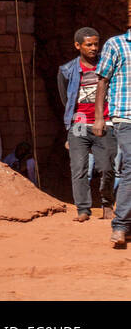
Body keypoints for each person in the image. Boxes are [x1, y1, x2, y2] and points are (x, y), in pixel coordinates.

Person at [58, 27, 115, 221]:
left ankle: (107, 203)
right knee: (79, 167)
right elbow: (66, 99)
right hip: (79, 125)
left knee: (107, 167)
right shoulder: (67, 70)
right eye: (88, 44)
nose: (93, 48)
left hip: (104, 123)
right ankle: (83, 209)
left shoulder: (106, 66)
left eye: (96, 44)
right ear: (77, 46)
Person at [91, 26, 131, 247]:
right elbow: (102, 81)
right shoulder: (116, 44)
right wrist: (99, 118)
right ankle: (120, 225)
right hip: (125, 116)